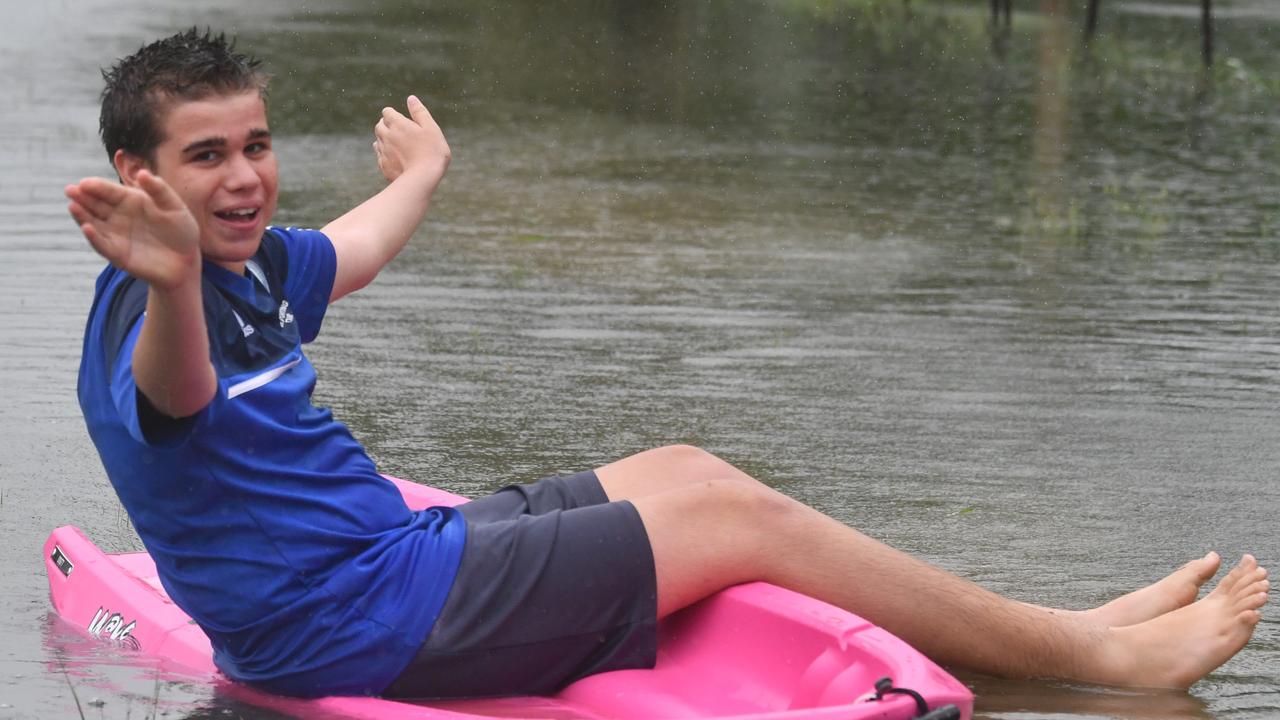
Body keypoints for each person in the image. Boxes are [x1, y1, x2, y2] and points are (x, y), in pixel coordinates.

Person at [68, 29, 1268, 700]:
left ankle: (1055, 625)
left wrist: (422, 177)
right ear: (140, 176)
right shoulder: (156, 315)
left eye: (257, 146)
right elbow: (181, 401)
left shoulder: (252, 263)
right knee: (735, 516)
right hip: (353, 625)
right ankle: (1093, 657)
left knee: (686, 461)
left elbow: (352, 251)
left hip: (392, 560)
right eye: (206, 154)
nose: (243, 177)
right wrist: (172, 278)